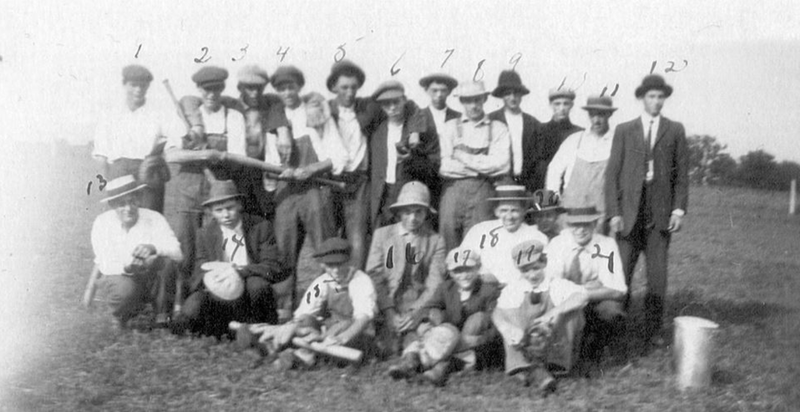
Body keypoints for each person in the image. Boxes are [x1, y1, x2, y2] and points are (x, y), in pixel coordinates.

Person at [605, 74, 689, 348]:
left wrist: (678, 210)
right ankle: (615, 327)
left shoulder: (674, 130)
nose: (656, 101)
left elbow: (682, 175)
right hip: (629, 217)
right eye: (651, 96)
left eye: (660, 97)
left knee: (657, 278)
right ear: (642, 98)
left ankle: (652, 331)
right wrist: (614, 213)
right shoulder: (625, 130)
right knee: (621, 275)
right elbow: (612, 174)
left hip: (659, 217)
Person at [163, 66, 248, 313]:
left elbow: (238, 157)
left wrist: (217, 157)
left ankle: (215, 302)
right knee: (184, 247)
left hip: (218, 191)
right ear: (199, 90)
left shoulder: (233, 117)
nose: (211, 94)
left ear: (222, 89)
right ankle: (177, 303)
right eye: (206, 89)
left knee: (215, 247)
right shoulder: (187, 116)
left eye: (216, 89)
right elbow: (172, 155)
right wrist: (203, 154)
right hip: (187, 190)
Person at [269, 65, 349, 322]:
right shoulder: (275, 119)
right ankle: (284, 308)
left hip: (316, 188)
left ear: (299, 87)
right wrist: (280, 171)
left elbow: (339, 156)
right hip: (286, 191)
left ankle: (331, 306)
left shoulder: (315, 111)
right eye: (281, 88)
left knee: (326, 248)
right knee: (284, 250)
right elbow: (270, 163)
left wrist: (312, 169)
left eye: (291, 87)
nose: (287, 93)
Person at [180, 64, 292, 220]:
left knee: (267, 212)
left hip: (262, 168)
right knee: (241, 213)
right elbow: (189, 100)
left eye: (259, 88)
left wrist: (283, 130)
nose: (254, 93)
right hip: (237, 170)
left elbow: (278, 105)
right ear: (240, 88)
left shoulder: (270, 104)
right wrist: (198, 127)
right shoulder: (230, 104)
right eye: (249, 88)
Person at [176, 180, 286, 337]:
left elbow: (272, 266)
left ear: (239, 205)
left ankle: (258, 326)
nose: (225, 215)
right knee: (191, 310)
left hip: (249, 286)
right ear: (211, 212)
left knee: (258, 286)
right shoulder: (204, 233)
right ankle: (224, 327)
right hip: (220, 287)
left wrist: (239, 271)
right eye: (219, 210)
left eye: (230, 208)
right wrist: (213, 276)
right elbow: (201, 266)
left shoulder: (260, 226)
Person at [386, 246, 499, 386]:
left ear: (478, 268)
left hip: (475, 345)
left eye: (468, 269)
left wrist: (480, 339)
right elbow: (428, 307)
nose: (463, 275)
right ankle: (413, 363)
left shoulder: (488, 291)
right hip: (447, 339)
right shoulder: (446, 288)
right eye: (457, 271)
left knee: (478, 318)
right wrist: (425, 322)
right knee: (434, 319)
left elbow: (497, 323)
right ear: (450, 273)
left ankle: (430, 366)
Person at [262, 237, 378, 369]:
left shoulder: (361, 281)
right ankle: (301, 353)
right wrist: (291, 327)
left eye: (340, 264)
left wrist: (342, 338)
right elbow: (304, 312)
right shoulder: (322, 282)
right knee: (305, 320)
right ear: (322, 265)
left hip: (357, 335)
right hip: (329, 334)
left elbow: (363, 319)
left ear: (349, 261)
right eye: (330, 266)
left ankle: (303, 356)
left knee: (344, 324)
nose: (336, 270)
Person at [492, 240, 588, 395]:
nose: (532, 275)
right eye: (525, 271)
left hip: (553, 340)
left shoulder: (556, 284)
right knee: (507, 312)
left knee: (573, 312)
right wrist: (506, 328)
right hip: (525, 342)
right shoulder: (514, 288)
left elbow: (582, 296)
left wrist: (554, 313)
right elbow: (498, 312)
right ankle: (526, 368)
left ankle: (550, 367)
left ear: (544, 263)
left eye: (536, 268)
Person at [90, 175, 183, 330]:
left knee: (166, 263)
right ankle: (121, 315)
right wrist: (127, 267)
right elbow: (104, 263)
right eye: (122, 204)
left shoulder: (154, 218)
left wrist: (154, 248)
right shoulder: (102, 223)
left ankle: (162, 316)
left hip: (150, 275)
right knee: (125, 290)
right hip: (119, 276)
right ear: (112, 205)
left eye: (132, 201)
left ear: (139, 199)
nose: (129, 208)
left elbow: (178, 253)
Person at [366, 181, 446, 356]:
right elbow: (374, 275)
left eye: (419, 212)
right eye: (407, 212)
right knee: (385, 347)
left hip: (418, 303)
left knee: (426, 330)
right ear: (399, 212)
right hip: (387, 302)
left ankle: (414, 348)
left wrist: (415, 312)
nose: (412, 218)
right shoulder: (382, 235)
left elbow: (435, 284)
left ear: (426, 213)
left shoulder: (435, 240)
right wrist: (389, 311)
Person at [544, 206, 627, 375]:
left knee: (610, 310)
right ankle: (558, 358)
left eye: (586, 224)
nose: (580, 230)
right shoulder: (558, 243)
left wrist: (583, 294)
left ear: (595, 224)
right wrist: (582, 290)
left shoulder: (606, 244)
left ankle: (595, 355)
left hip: (595, 299)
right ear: (568, 226)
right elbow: (552, 282)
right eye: (575, 225)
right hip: (565, 298)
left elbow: (618, 290)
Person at [438, 80, 511, 251]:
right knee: (448, 237)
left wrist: (461, 156)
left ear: (484, 99)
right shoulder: (450, 127)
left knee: (479, 241)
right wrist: (482, 166)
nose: (473, 105)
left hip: (484, 192)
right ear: (461, 101)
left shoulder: (498, 128)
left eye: (477, 99)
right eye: (468, 100)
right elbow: (445, 166)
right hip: (453, 191)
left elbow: (502, 165)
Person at [326, 60, 384, 269]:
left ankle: (356, 279)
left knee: (357, 237)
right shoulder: (325, 109)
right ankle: (332, 281)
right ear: (334, 87)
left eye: (353, 87)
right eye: (344, 87)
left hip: (359, 181)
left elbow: (403, 103)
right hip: (330, 180)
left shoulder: (367, 108)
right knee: (330, 236)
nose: (349, 93)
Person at [92, 65, 171, 212]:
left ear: (148, 87)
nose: (138, 90)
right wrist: (106, 182)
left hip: (149, 171)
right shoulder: (110, 114)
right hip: (119, 171)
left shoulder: (158, 114)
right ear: (124, 85)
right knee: (121, 217)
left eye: (143, 85)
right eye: (133, 85)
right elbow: (101, 155)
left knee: (150, 217)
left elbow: (170, 144)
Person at [369, 81, 440, 228]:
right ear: (381, 106)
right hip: (382, 194)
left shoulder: (419, 129)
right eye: (386, 104)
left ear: (404, 100)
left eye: (396, 102)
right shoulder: (377, 130)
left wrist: (412, 159)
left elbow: (433, 164)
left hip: (409, 193)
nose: (392, 107)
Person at [546, 95, 617, 233]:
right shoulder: (575, 139)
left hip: (600, 210)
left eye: (601, 115)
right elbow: (554, 170)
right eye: (592, 115)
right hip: (571, 207)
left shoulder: (616, 140)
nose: (596, 120)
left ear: (609, 114)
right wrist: (554, 201)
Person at [460, 185, 548, 288]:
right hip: (482, 288)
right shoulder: (480, 230)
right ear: (496, 211)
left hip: (520, 289)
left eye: (514, 210)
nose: (509, 217)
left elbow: (544, 271)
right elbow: (463, 262)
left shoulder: (536, 236)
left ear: (524, 210)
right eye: (504, 210)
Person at [487, 70, 541, 191]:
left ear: (521, 95)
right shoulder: (491, 120)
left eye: (516, 93)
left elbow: (538, 158)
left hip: (527, 183)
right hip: (498, 182)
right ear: (502, 96)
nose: (512, 98)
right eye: (508, 94)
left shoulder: (533, 123)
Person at [418, 73, 460, 209]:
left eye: (443, 90)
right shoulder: (418, 116)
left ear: (449, 92)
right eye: (434, 90)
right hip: (426, 176)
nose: (439, 94)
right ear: (426, 91)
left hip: (452, 177)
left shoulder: (458, 117)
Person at [532, 88, 584, 191]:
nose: (562, 108)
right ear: (551, 105)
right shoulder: (540, 130)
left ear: (571, 105)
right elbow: (533, 164)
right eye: (557, 104)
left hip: (571, 188)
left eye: (566, 104)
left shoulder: (579, 133)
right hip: (543, 187)